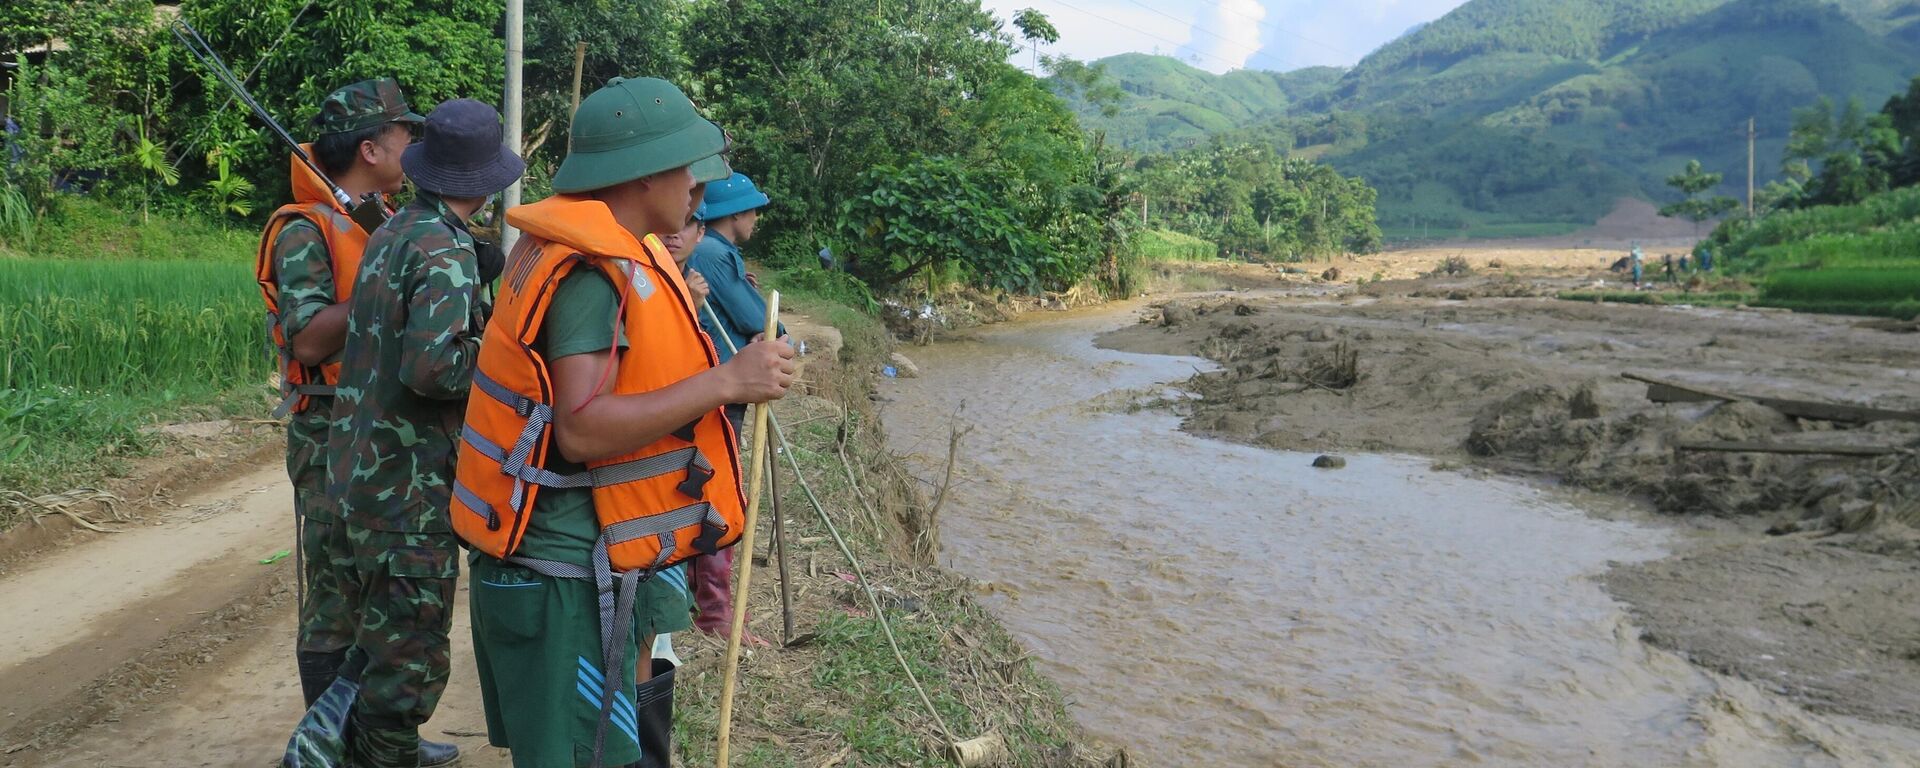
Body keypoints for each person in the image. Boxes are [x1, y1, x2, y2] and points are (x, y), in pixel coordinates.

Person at [452, 76, 794, 768]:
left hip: (603, 549)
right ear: (642, 175)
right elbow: (579, 427)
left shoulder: (622, 250)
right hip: (565, 567)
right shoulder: (587, 270)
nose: (698, 190)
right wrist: (727, 380)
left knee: (627, 736)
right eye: (687, 171)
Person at [253, 78, 461, 768]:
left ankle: (378, 737)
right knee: (337, 596)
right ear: (371, 148)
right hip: (328, 432)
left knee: (389, 592)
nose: (417, 146)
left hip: (381, 430)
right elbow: (308, 339)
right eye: (407, 135)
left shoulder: (385, 219)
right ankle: (328, 740)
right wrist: (382, 276)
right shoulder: (307, 230)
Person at [324, 98, 523, 768]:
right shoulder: (442, 247)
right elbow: (433, 367)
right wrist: (504, 353)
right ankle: (384, 755)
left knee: (381, 642)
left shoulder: (396, 232)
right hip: (405, 492)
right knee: (409, 656)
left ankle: (385, 746)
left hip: (362, 474)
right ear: (487, 180)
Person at [684, 173, 782, 641]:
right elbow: (765, 324)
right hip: (719, 393)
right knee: (717, 497)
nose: (757, 219)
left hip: (716, 389)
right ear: (736, 214)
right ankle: (715, 614)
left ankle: (702, 605)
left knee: (705, 494)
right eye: (753, 210)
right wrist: (764, 333)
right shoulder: (714, 255)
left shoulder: (717, 255)